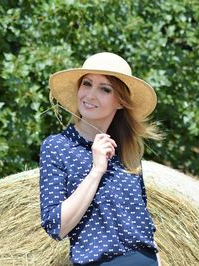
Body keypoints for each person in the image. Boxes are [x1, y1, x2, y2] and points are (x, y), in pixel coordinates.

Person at [39, 52, 162, 265]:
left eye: (105, 89)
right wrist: (96, 170)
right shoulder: (58, 147)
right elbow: (56, 225)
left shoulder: (127, 151)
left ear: (121, 101)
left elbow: (143, 224)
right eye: (86, 84)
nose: (91, 95)